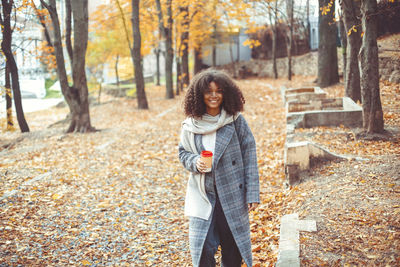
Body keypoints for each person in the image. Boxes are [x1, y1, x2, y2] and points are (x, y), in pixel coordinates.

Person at [178, 69, 260, 267]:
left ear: (226, 93)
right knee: (203, 247)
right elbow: (182, 153)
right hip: (203, 193)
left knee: (232, 248)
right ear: (199, 94)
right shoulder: (190, 125)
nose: (214, 95)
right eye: (208, 91)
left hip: (232, 193)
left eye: (219, 91)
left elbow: (250, 155)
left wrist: (252, 194)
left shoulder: (236, 121)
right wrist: (194, 162)